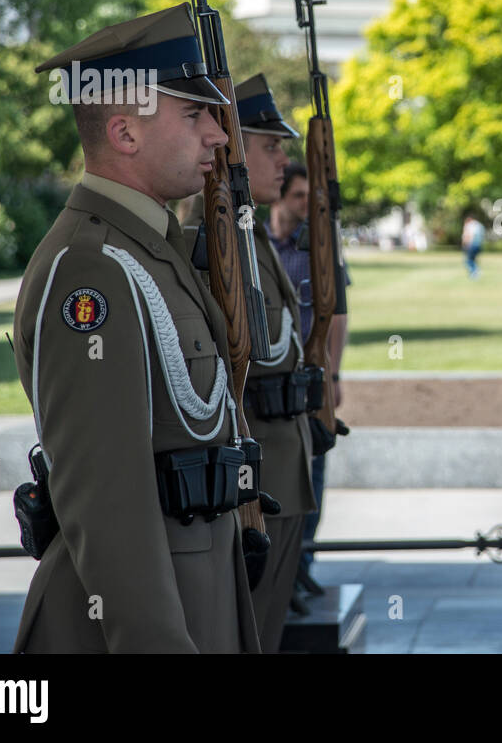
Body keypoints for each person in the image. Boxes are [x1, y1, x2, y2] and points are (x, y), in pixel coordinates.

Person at [12, 3, 260, 652]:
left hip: (198, 599)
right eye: (195, 114)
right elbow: (107, 501)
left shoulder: (149, 247)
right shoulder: (91, 269)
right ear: (124, 132)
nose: (218, 135)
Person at [182, 73, 318, 652]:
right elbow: (258, 348)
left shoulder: (251, 233)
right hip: (257, 463)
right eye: (271, 146)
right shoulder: (219, 235)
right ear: (236, 152)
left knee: (268, 621)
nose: (284, 161)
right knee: (253, 627)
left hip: (281, 460)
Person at [266, 162, 351, 596]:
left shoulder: (319, 247)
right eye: (298, 195)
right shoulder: (253, 242)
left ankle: (303, 563)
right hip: (266, 383)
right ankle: (276, 566)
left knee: (314, 469)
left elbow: (337, 312)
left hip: (310, 379)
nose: (306, 203)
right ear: (280, 195)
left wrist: (333, 373)